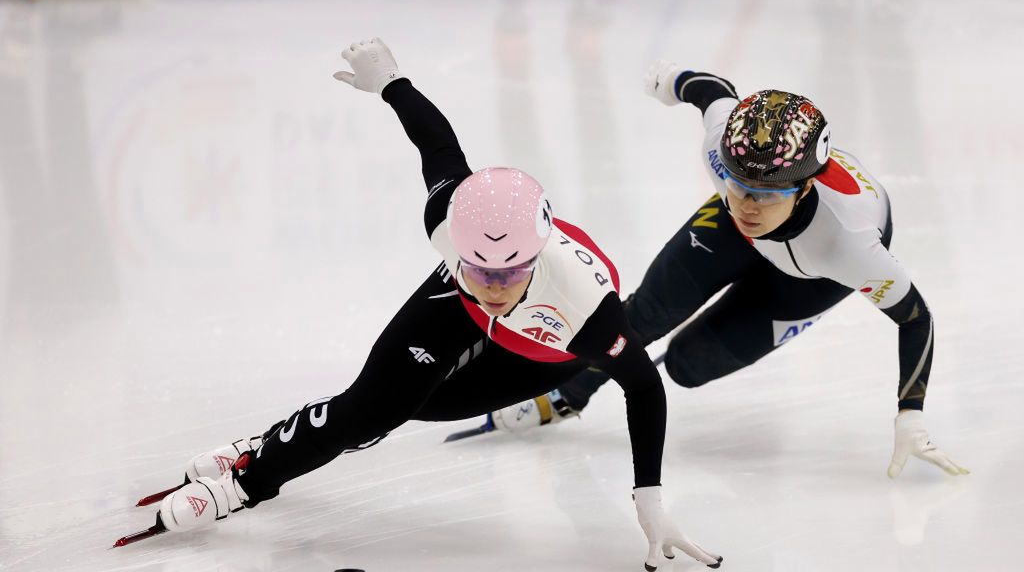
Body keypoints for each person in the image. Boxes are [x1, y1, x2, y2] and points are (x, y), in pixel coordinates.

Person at [130, 40, 722, 571]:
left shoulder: (588, 312)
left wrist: (649, 497)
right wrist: (390, 81)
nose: (493, 282)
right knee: (370, 410)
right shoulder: (449, 218)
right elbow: (438, 143)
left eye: (511, 270)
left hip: (543, 347)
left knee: (414, 409)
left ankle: (272, 449)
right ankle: (250, 478)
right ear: (455, 245)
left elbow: (644, 387)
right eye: (480, 265)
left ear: (537, 256)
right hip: (452, 309)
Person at [488, 60, 968, 480]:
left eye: (766, 193)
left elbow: (915, 316)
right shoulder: (725, 152)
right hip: (730, 237)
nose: (748, 205)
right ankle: (567, 394)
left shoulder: (851, 245)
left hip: (812, 277)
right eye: (737, 185)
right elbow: (711, 88)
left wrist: (911, 414)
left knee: (687, 366)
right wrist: (671, 79)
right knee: (647, 312)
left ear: (803, 189)